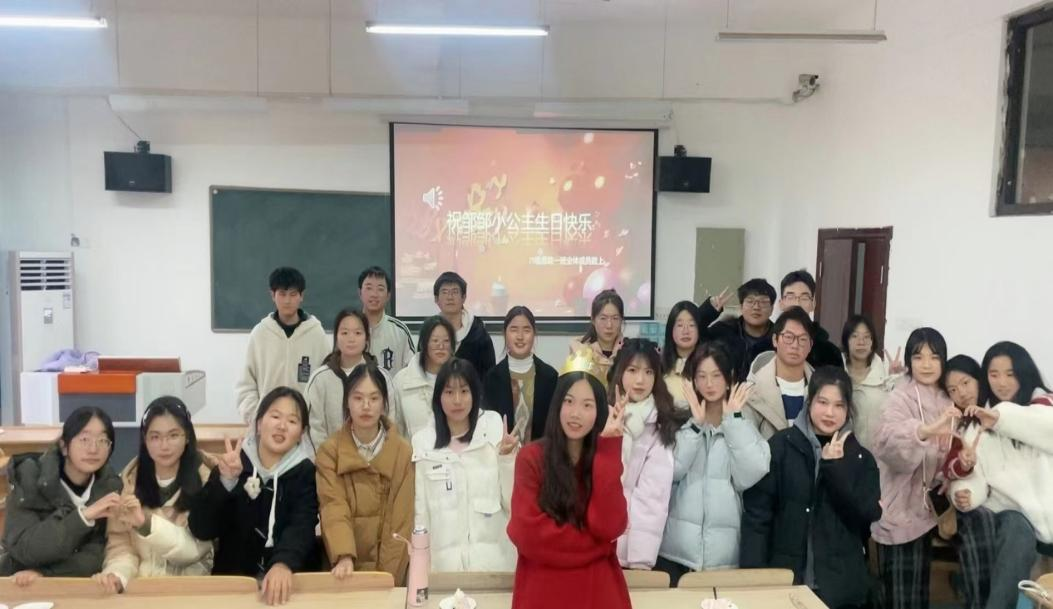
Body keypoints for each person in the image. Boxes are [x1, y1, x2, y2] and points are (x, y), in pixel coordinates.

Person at [741, 366, 882, 609]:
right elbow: (758, 516)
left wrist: (834, 469)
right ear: (809, 402)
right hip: (785, 581)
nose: (829, 412)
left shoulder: (861, 458)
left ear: (848, 409)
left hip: (840, 588)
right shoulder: (781, 446)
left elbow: (867, 514)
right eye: (822, 402)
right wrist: (753, 578)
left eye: (839, 405)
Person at [506, 365, 631, 609]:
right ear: (557, 405)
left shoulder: (603, 458)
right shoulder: (531, 458)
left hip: (597, 591)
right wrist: (598, 545)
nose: (576, 413)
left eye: (587, 405)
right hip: (543, 593)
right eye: (569, 401)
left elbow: (609, 526)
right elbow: (528, 534)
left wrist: (608, 448)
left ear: (599, 411)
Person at [189, 387, 318, 606]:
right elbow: (201, 528)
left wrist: (283, 563)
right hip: (234, 584)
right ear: (258, 424)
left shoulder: (305, 472)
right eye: (275, 416)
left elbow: (302, 524)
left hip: (287, 583)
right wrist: (226, 482)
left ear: (301, 433)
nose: (282, 425)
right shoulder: (234, 463)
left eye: (292, 421)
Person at [949, 342, 1053, 609]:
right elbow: (974, 475)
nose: (1002, 382)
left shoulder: (1045, 406)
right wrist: (966, 492)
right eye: (994, 375)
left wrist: (1000, 419)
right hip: (1013, 515)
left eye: (1010, 374)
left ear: (1024, 373)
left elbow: (1046, 429)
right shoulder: (976, 425)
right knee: (1017, 529)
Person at [656, 343, 769, 586]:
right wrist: (696, 427)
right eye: (702, 376)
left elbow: (751, 474)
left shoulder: (743, 425)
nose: (709, 384)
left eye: (717, 375)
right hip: (676, 552)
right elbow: (670, 471)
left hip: (724, 555)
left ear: (729, 379)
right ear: (693, 381)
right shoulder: (680, 423)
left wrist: (733, 422)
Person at [871, 327, 956, 609]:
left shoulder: (948, 398)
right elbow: (889, 446)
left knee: (921, 594)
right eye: (919, 357)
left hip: (937, 509)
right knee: (900, 595)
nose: (927, 364)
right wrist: (923, 431)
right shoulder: (900, 396)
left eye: (934, 357)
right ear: (909, 361)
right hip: (902, 507)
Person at [96, 397, 214, 593]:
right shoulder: (126, 485)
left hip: (191, 593)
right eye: (155, 437)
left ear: (187, 437)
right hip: (142, 593)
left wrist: (145, 524)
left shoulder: (208, 483)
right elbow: (121, 548)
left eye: (173, 435)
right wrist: (117, 575)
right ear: (145, 440)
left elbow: (193, 551)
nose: (164, 446)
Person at [412, 358, 519, 572]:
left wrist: (508, 459)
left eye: (464, 391)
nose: (457, 400)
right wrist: (420, 571)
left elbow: (513, 503)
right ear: (438, 397)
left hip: (494, 567)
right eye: (449, 392)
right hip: (444, 570)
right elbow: (420, 515)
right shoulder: (423, 443)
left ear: (475, 394)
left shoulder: (494, 431)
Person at [0, 407, 123, 584]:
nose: (93, 449)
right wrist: (83, 517)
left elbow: (96, 556)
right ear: (64, 446)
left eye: (103, 440)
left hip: (71, 585)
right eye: (84, 439)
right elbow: (25, 548)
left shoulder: (109, 487)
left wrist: (45, 574)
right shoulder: (29, 477)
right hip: (17, 583)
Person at [315, 364, 414, 585]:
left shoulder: (403, 452)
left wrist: (387, 578)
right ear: (347, 402)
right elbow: (333, 507)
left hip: (389, 577)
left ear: (384, 403)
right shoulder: (330, 452)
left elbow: (400, 521)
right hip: (343, 571)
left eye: (374, 398)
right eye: (358, 398)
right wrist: (343, 555)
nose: (366, 406)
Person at [606, 339, 684, 570]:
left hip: (630, 551)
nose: (640, 380)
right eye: (632, 370)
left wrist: (640, 560)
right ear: (620, 373)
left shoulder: (659, 424)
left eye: (648, 372)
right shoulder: (600, 414)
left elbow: (652, 498)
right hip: (595, 540)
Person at [235, 266, 330, 424]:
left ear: (301, 296)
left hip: (304, 427)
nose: (287, 300)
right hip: (266, 426)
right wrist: (257, 419)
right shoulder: (260, 334)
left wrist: (312, 423)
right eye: (282, 294)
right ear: (272, 295)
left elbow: (326, 384)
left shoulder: (316, 335)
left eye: (293, 294)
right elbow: (245, 385)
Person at [938, 354, 996, 609]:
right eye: (952, 389)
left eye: (965, 383)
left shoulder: (1000, 414)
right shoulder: (958, 426)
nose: (961, 393)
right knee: (976, 518)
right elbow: (949, 468)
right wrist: (961, 474)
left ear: (978, 379)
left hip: (1006, 502)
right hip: (972, 505)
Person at [306, 309, 389, 453]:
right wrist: (327, 460)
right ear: (336, 337)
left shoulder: (382, 377)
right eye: (344, 333)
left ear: (367, 338)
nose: (351, 339)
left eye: (358, 333)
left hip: (375, 461)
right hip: (330, 461)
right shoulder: (320, 379)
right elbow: (314, 428)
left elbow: (390, 422)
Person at [482, 306, 559, 443]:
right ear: (504, 333)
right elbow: (487, 428)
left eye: (526, 330)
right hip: (502, 453)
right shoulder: (492, 378)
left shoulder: (550, 377)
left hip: (540, 454)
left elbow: (554, 428)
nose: (520, 337)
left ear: (534, 334)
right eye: (514, 330)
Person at [743, 307, 816, 440]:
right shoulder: (751, 392)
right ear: (775, 340)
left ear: (810, 345)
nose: (795, 345)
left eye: (802, 339)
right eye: (788, 337)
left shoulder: (821, 390)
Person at [841, 314, 905, 451]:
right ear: (846, 340)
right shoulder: (836, 375)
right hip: (841, 455)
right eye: (855, 336)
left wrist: (897, 378)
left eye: (866, 337)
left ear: (872, 342)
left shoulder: (885, 377)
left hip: (877, 456)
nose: (861, 342)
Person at [390, 315, 456, 439]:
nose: (441, 346)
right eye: (435, 340)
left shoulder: (461, 379)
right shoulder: (402, 381)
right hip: (413, 450)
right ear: (423, 343)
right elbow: (394, 429)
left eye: (446, 341)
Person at [698, 279, 775, 381]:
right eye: (750, 301)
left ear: (772, 309)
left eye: (763, 302)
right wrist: (708, 311)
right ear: (741, 307)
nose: (756, 307)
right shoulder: (724, 331)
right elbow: (695, 337)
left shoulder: (780, 338)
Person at [774, 270, 843, 369]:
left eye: (804, 298)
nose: (797, 303)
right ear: (781, 303)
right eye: (791, 297)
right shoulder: (764, 348)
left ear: (813, 304)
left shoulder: (830, 353)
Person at [434, 271, 496, 377]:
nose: (450, 297)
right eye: (444, 292)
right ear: (436, 299)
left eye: (455, 292)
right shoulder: (429, 333)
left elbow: (489, 377)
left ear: (464, 297)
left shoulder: (479, 335)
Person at [358, 266, 415, 376]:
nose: (374, 294)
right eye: (369, 288)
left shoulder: (400, 331)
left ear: (388, 295)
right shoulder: (348, 329)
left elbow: (412, 372)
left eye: (380, 289)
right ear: (360, 293)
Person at [570, 289, 626, 385]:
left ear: (621, 320)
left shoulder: (629, 352)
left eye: (615, 318)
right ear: (593, 319)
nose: (609, 325)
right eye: (603, 318)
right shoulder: (579, 351)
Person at [662, 300, 702, 407]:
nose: (686, 331)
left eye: (691, 325)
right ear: (671, 329)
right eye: (680, 325)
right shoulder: (659, 364)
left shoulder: (708, 364)